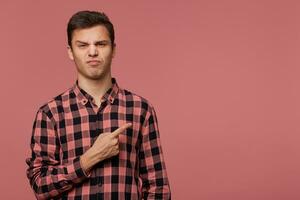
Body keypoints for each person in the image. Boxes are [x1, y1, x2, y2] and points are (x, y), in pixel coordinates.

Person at [25, 10, 171, 200]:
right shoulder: (51, 113)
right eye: (83, 45)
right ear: (70, 51)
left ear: (114, 49)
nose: (92, 52)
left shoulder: (140, 110)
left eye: (101, 44)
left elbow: (158, 189)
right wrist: (88, 159)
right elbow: (40, 186)